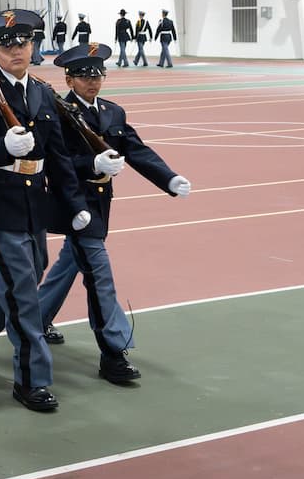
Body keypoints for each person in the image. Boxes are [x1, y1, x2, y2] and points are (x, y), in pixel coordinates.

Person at [0, 8, 88, 413]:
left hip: (34, 198)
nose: (17, 51)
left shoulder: (42, 92)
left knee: (33, 266)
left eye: (24, 43)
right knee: (24, 288)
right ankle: (31, 379)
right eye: (7, 45)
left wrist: (74, 204)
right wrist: (1, 147)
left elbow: (58, 154)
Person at [38, 42, 190, 381]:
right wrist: (90, 162)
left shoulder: (112, 112)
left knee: (68, 266)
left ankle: (34, 319)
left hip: (100, 205)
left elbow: (136, 150)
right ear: (68, 79)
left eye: (97, 75)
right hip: (71, 204)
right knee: (100, 276)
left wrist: (169, 178)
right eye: (83, 76)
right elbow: (53, 163)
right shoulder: (58, 113)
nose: (92, 82)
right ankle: (113, 352)